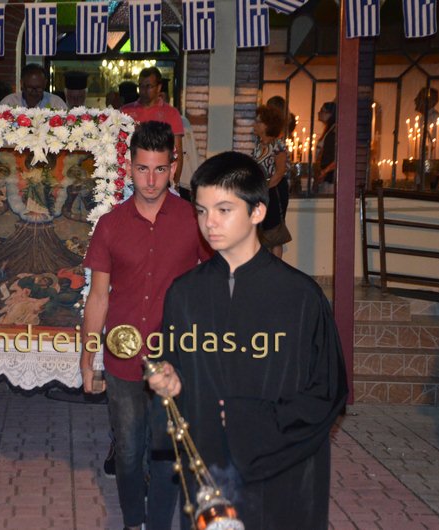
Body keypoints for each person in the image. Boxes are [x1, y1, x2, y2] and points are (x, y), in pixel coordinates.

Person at [147, 151, 348, 530]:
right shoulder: (184, 294)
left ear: (257, 211)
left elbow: (328, 391)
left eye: (224, 210)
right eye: (202, 211)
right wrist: (168, 383)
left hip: (281, 470)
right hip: (210, 467)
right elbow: (174, 368)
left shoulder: (300, 297)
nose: (210, 222)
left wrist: (250, 420)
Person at [80, 121, 211, 530]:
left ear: (173, 167)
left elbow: (213, 288)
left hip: (175, 360)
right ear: (129, 167)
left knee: (167, 451)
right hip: (123, 361)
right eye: (142, 169)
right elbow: (98, 297)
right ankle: (133, 520)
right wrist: (87, 359)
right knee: (129, 451)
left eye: (159, 169)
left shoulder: (194, 220)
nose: (151, 180)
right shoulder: (110, 225)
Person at [121, 67, 185, 188]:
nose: (144, 90)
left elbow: (178, 153)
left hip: (160, 178)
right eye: (141, 86)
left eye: (148, 86)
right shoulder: (126, 111)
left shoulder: (171, 113)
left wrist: (174, 184)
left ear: (159, 87)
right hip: (130, 179)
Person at [252, 104, 290, 258]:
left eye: (259, 122)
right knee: (261, 229)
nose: (255, 124)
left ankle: (276, 267)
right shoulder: (257, 146)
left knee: (274, 232)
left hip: (275, 190)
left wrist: (266, 188)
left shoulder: (277, 145)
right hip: (261, 190)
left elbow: (280, 172)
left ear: (268, 125)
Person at [0, 63, 67, 110]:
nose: (34, 92)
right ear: (22, 83)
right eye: (30, 88)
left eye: (39, 88)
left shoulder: (56, 103)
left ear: (45, 84)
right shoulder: (9, 102)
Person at [315, 101, 337, 194]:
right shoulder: (329, 130)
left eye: (323, 111)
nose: (319, 113)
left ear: (330, 114)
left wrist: (325, 171)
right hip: (325, 174)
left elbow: (336, 156)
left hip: (329, 177)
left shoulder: (334, 131)